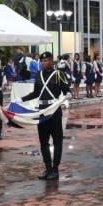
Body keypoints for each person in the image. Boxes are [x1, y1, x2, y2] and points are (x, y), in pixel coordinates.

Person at [19, 52, 71, 180]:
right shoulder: (38, 74)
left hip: (54, 110)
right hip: (42, 111)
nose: (43, 63)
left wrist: (68, 94)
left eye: (46, 60)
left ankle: (55, 169)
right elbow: (36, 93)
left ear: (51, 61)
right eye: (42, 61)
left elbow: (66, 89)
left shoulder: (59, 74)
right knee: (43, 142)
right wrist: (21, 99)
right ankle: (47, 168)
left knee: (57, 141)